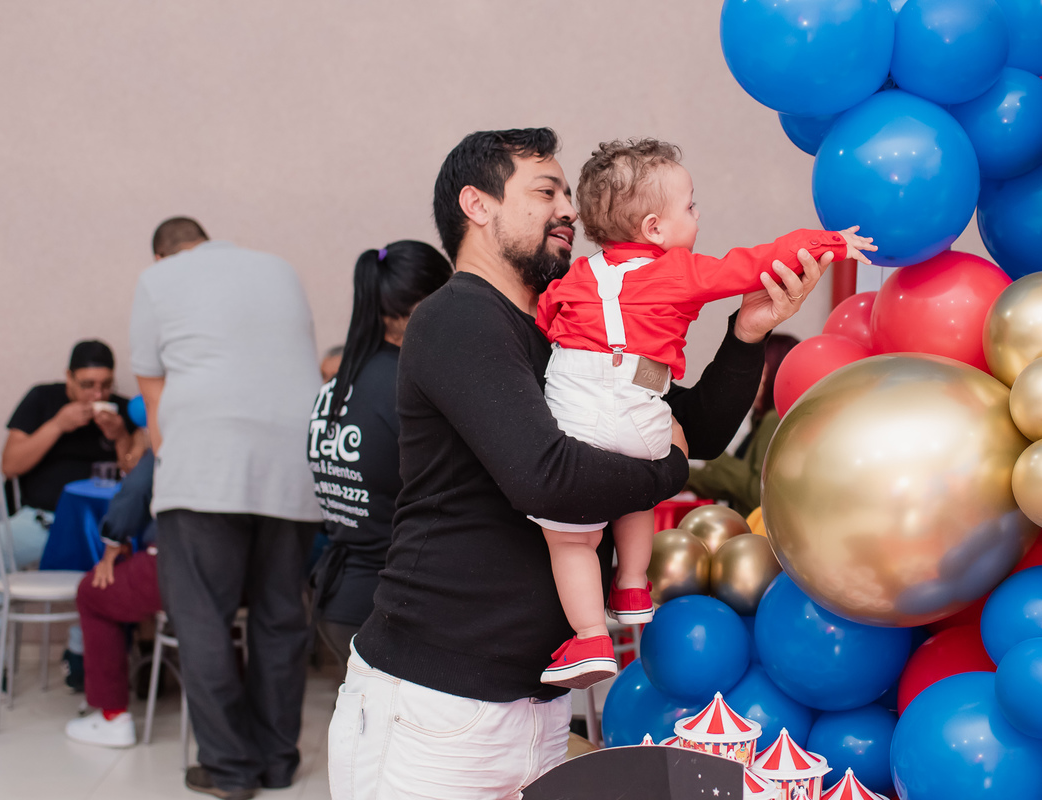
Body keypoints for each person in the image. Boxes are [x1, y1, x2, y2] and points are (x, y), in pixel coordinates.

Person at [327, 127, 835, 800]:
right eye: (545, 192)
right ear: (476, 205)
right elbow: (551, 479)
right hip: (436, 700)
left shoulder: (568, 325)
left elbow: (699, 428)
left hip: (532, 700)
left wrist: (748, 331)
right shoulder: (459, 319)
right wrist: (668, 471)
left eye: (569, 192)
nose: (568, 209)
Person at [532, 140, 874, 688]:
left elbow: (547, 316)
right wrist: (831, 243)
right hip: (646, 411)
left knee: (571, 537)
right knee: (636, 492)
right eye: (689, 206)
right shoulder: (681, 274)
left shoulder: (575, 279)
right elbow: (758, 262)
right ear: (654, 229)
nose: (698, 214)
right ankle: (633, 585)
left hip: (581, 407)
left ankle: (590, 635)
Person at [130, 217, 322, 800]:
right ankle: (277, 761)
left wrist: (175, 465)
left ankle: (230, 771)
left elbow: (153, 395)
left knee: (203, 621)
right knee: (280, 619)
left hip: (206, 473)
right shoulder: (279, 269)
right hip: (293, 466)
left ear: (164, 254)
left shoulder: (157, 281)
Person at [0, 340, 141, 708]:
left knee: (111, 570)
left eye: (105, 385)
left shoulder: (126, 410)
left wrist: (119, 437)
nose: (97, 393)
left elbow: (136, 474)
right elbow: (10, 465)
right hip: (39, 523)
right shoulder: (42, 399)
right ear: (68, 377)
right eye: (87, 385)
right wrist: (57, 425)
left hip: (98, 532)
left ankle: (83, 658)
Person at [306, 242, 451, 662]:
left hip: (341, 601)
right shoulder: (407, 385)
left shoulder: (340, 386)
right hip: (391, 608)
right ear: (412, 308)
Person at [64, 448, 158, 748]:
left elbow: (136, 491)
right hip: (249, 571)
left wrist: (112, 548)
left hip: (178, 562)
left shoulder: (173, 431)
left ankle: (112, 716)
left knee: (93, 592)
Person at [686, 334, 800, 516]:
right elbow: (730, 485)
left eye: (756, 367)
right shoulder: (761, 421)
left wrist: (712, 450)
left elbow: (757, 492)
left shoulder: (773, 420)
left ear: (767, 375)